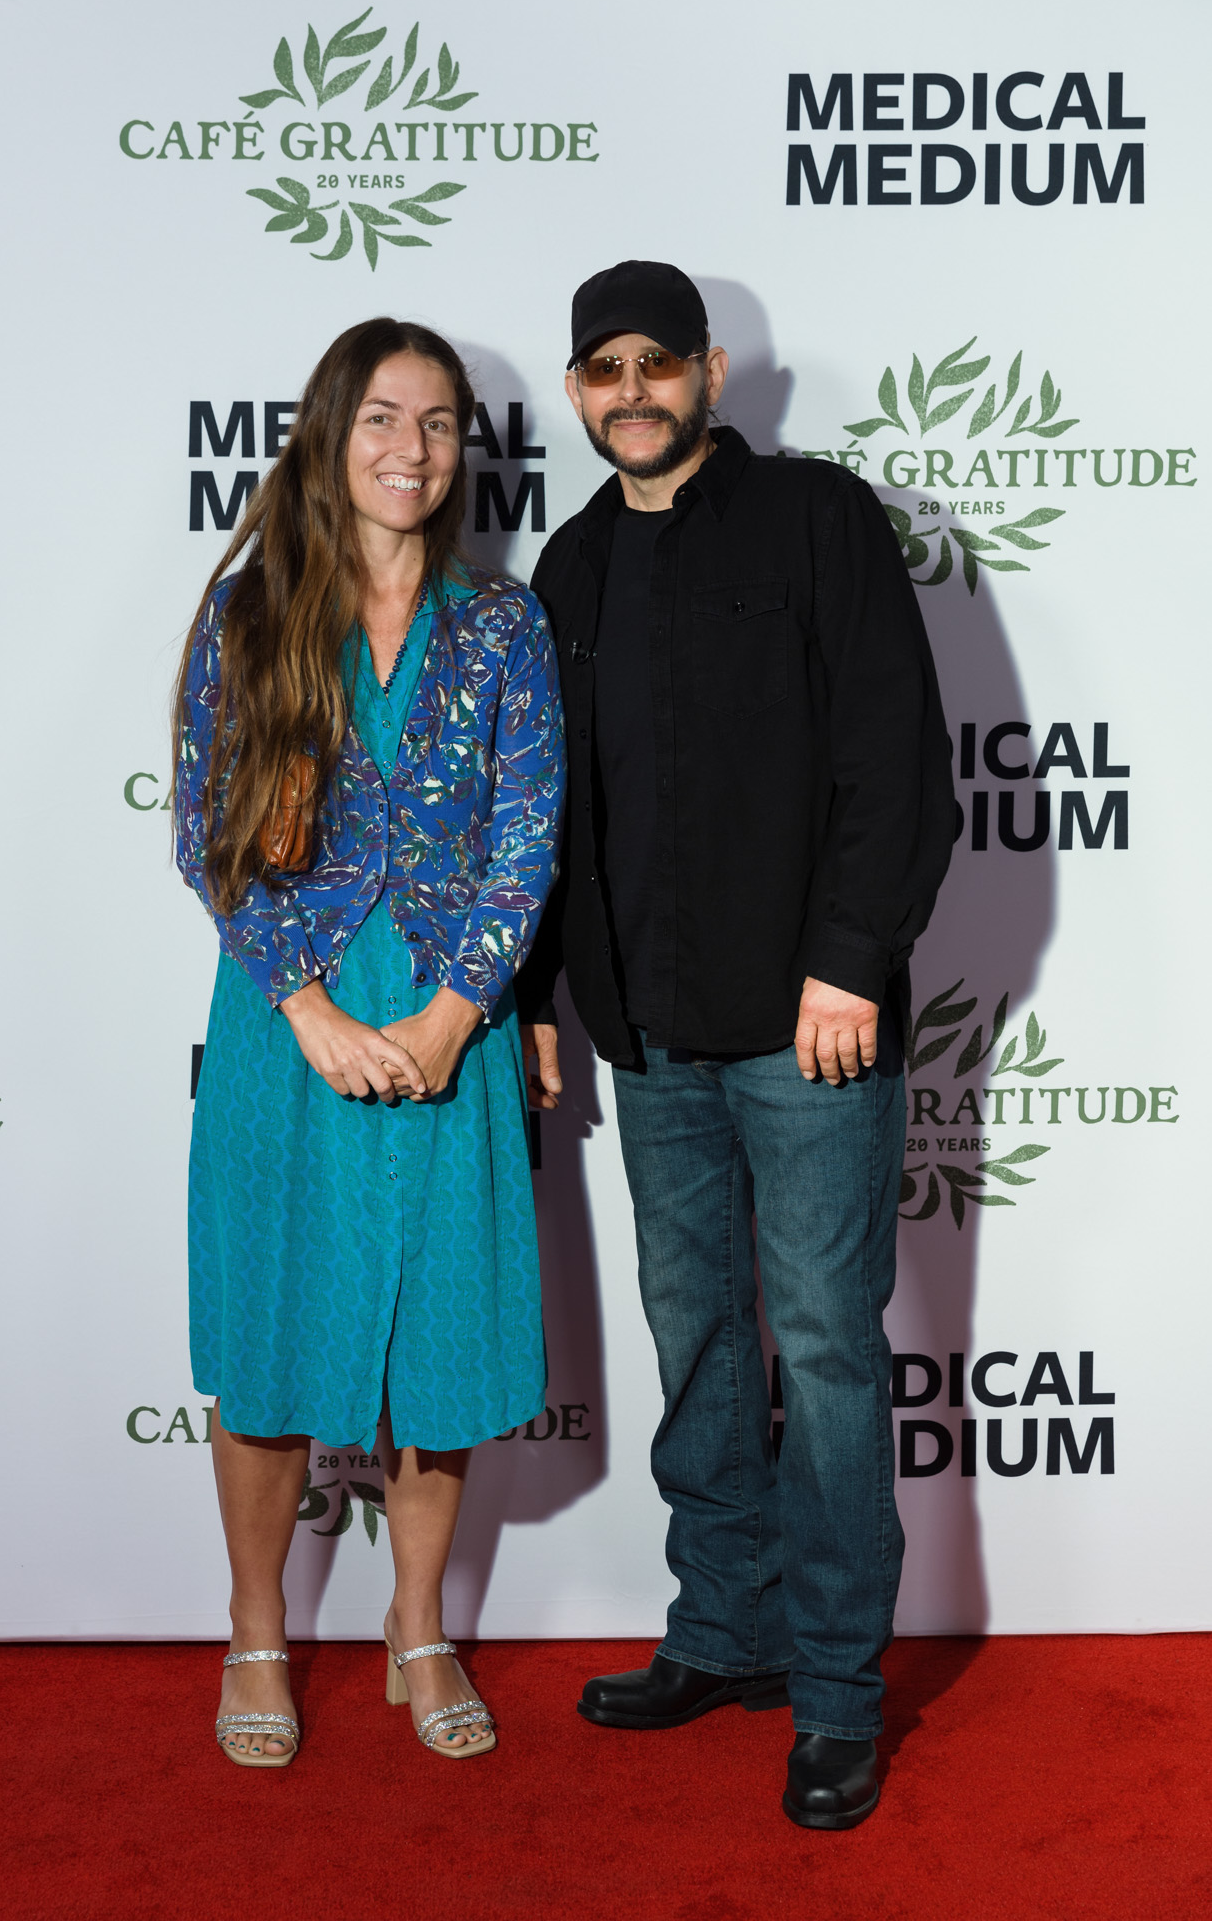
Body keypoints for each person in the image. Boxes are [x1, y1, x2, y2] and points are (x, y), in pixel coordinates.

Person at [516, 261, 955, 1829]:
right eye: (602, 369)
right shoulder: (569, 565)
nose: (630, 390)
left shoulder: (816, 519)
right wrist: (539, 995)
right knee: (694, 1329)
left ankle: (834, 1694)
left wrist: (848, 962)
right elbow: (550, 811)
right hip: (646, 1028)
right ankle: (725, 1628)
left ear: (707, 372)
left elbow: (894, 756)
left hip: (806, 1023)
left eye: (656, 361)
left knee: (824, 1345)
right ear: (580, 392)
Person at [173, 318, 564, 1769]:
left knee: (441, 1340)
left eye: (441, 422)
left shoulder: (504, 624)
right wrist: (314, 1012)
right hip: (289, 1018)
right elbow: (205, 829)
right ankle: (256, 1632)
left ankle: (418, 1625)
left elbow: (528, 834)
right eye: (384, 417)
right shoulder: (250, 614)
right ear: (331, 434)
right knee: (271, 1329)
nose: (413, 448)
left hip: (454, 1012)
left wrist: (459, 1012)